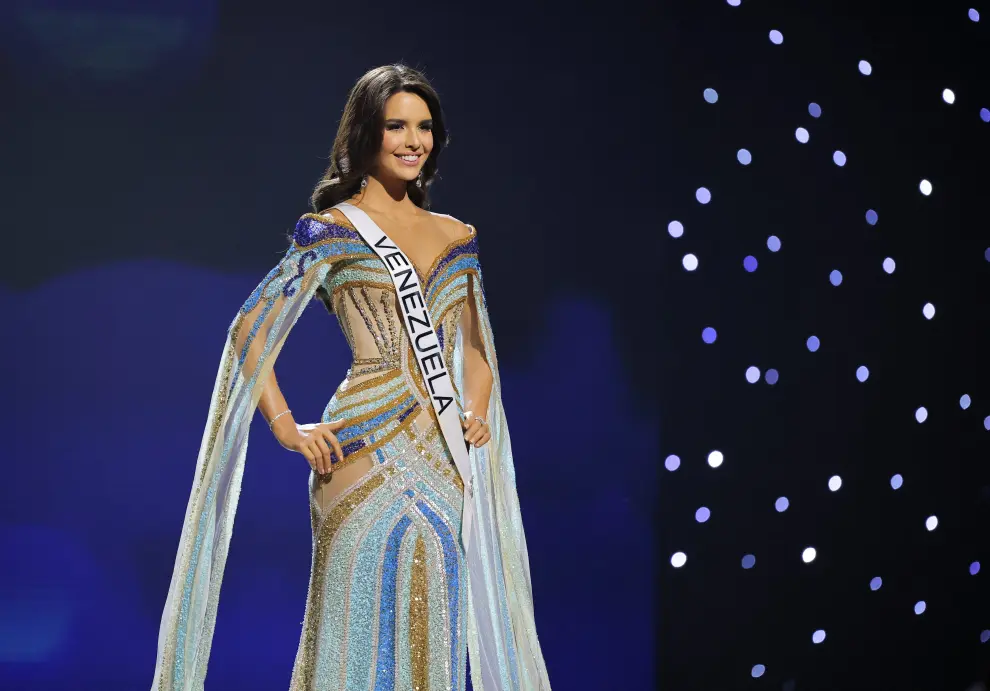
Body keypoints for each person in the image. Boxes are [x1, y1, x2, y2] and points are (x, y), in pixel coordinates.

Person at [151, 63, 552, 691]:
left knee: (435, 629)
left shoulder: (458, 236)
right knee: (352, 629)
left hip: (446, 458)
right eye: (397, 125)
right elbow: (249, 330)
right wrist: (286, 427)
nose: (414, 140)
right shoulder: (332, 231)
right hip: (361, 446)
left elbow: (477, 349)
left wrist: (474, 409)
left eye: (424, 126)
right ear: (367, 132)